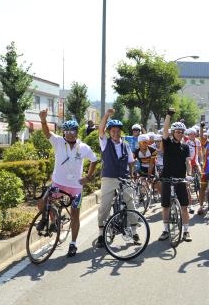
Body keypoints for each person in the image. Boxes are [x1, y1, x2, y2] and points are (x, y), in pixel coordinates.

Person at [38, 110, 98, 257]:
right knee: (42, 202)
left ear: (77, 132)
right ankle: (50, 220)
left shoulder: (83, 147)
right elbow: (47, 133)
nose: (70, 133)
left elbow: (94, 160)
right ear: (64, 132)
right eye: (67, 131)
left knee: (75, 215)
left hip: (75, 187)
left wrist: (88, 177)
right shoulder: (59, 142)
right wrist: (43, 120)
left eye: (73, 130)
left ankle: (73, 244)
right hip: (58, 183)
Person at [95, 109, 140, 249]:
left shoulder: (126, 145)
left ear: (120, 131)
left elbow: (131, 162)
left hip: (124, 177)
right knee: (104, 206)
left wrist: (132, 175)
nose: (115, 133)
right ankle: (101, 234)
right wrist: (106, 115)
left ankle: (134, 232)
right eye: (112, 131)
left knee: (130, 202)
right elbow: (100, 129)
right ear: (109, 132)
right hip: (108, 177)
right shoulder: (105, 142)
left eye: (117, 131)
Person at [158, 109, 193, 242]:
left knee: (184, 207)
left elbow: (188, 162)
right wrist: (168, 115)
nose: (180, 134)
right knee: (165, 206)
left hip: (180, 179)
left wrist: (189, 174)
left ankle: (186, 231)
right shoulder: (167, 143)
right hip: (167, 177)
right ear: (173, 133)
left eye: (182, 132)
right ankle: (166, 230)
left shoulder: (185, 147)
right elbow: (165, 130)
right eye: (178, 132)